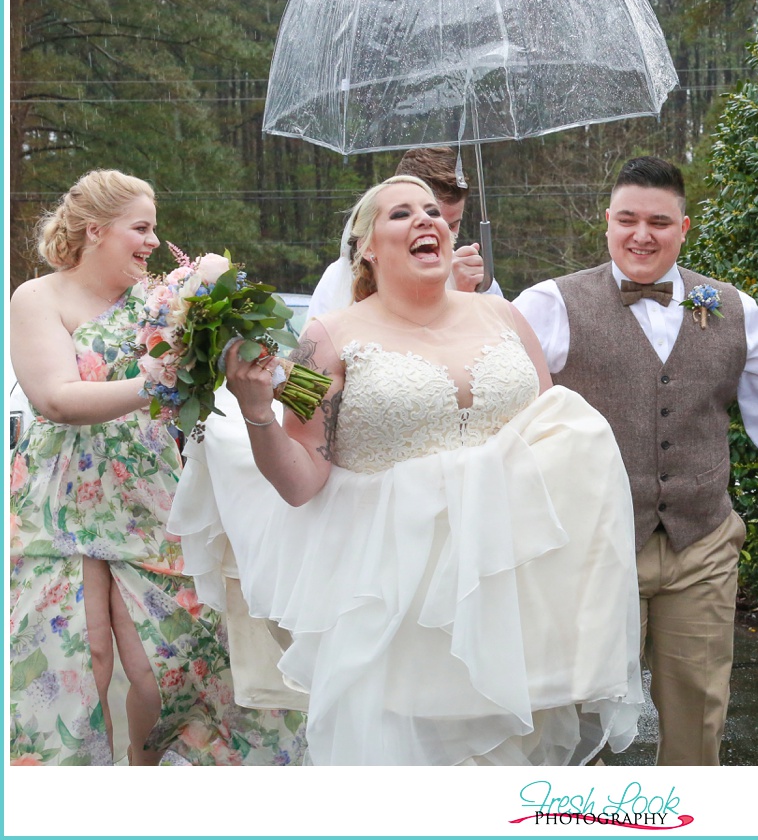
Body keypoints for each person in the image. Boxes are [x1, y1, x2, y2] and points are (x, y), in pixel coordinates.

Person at [171, 173, 643, 766]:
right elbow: (301, 478)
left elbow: (548, 438)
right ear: (367, 246)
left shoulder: (505, 319)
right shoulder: (324, 341)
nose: (425, 220)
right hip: (397, 605)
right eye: (400, 214)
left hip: (511, 597)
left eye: (432, 211)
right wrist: (258, 411)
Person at [513, 155, 758, 767]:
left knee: (699, 712)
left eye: (659, 221)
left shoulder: (731, 308)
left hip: (700, 542)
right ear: (607, 223)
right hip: (590, 547)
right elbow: (502, 403)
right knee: (580, 718)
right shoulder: (551, 303)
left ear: (683, 229)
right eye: (627, 219)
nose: (641, 235)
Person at [8, 168, 306, 767]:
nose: (151, 240)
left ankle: (154, 782)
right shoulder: (37, 297)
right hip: (57, 494)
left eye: (155, 230)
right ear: (96, 230)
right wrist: (156, 382)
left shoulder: (162, 299)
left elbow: (221, 283)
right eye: (139, 228)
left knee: (161, 667)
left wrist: (210, 290)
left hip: (147, 489)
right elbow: (57, 399)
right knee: (81, 659)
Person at [305, 146, 499, 315]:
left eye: (452, 225)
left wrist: (466, 296)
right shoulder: (340, 282)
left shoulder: (477, 278)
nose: (437, 231)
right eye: (404, 215)